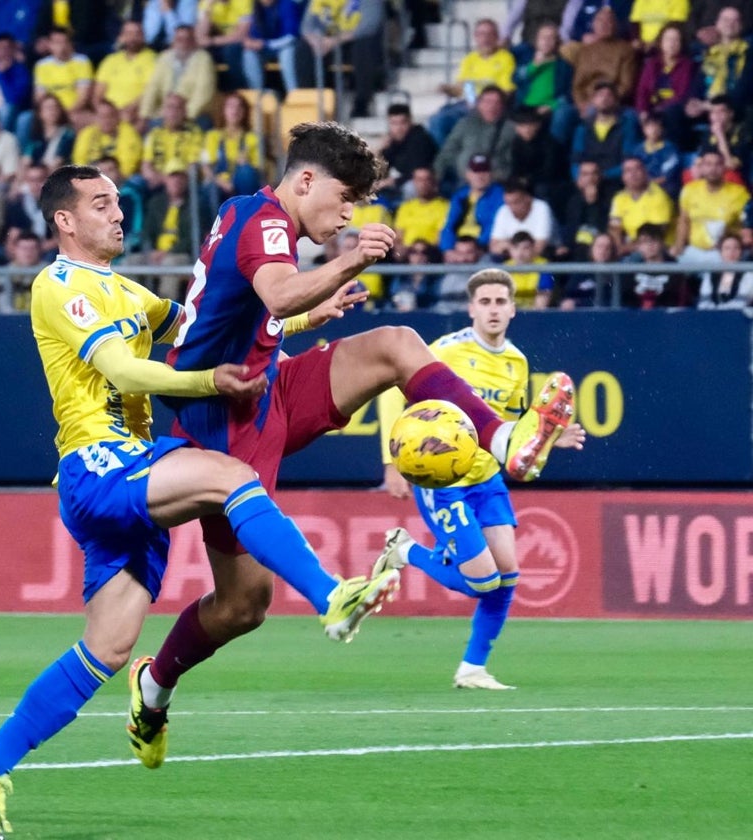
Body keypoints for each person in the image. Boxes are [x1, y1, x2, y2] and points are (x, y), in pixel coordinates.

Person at [0, 163, 401, 832]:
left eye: (118, 203)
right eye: (100, 204)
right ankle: (331, 595)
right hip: (100, 464)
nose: (116, 212)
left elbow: (201, 333)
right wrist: (211, 384)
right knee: (229, 476)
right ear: (64, 221)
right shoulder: (58, 285)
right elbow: (125, 369)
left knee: (106, 648)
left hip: (128, 475)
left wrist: (310, 315)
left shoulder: (127, 290)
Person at [129, 122, 578, 767]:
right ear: (305, 180)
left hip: (270, 387)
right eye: (344, 198)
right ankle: (156, 683)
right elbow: (278, 291)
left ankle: (504, 437)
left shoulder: (255, 219)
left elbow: (261, 310)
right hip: (217, 427)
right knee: (244, 606)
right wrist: (352, 256)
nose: (346, 214)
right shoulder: (263, 222)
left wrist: (312, 314)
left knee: (396, 342)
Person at [375, 268, 586, 689]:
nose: (493, 309)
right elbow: (391, 390)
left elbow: (506, 425)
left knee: (506, 577)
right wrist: (391, 460)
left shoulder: (516, 362)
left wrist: (549, 440)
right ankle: (405, 551)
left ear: (513, 309)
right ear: (471, 308)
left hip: (486, 477)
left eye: (500, 302)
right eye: (484, 302)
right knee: (482, 580)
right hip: (444, 478)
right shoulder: (445, 351)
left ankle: (472, 668)